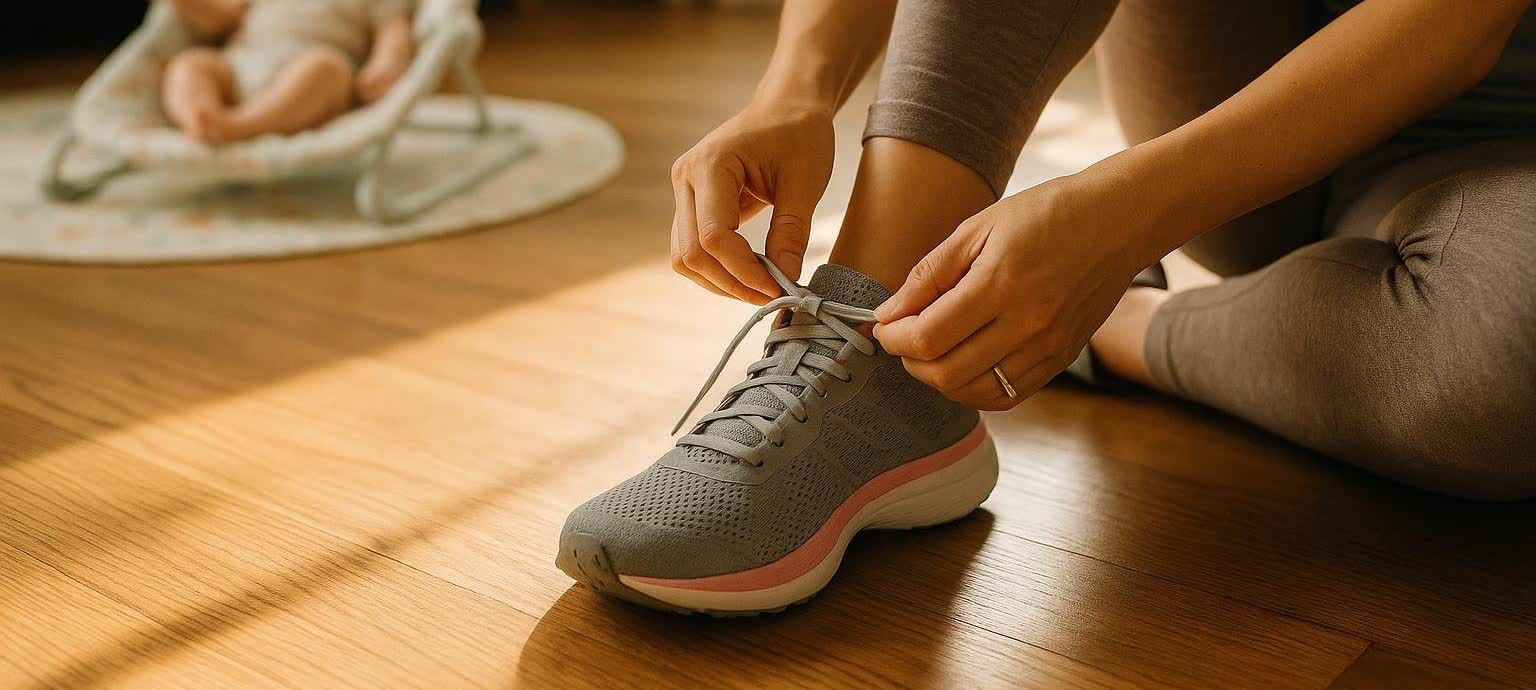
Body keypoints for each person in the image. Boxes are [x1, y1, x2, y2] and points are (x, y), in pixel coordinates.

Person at [558, 0, 1536, 615]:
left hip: (1492, 149)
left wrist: (1120, 220)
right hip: (1249, 60)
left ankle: (1119, 330)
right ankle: (883, 341)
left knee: (1510, 349)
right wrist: (795, 87)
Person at [160, 0, 415, 144]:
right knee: (188, 65)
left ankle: (238, 127)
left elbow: (393, 33)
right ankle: (200, 117)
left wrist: (384, 67)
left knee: (326, 67)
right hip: (240, 66)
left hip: (307, 79)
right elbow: (220, 19)